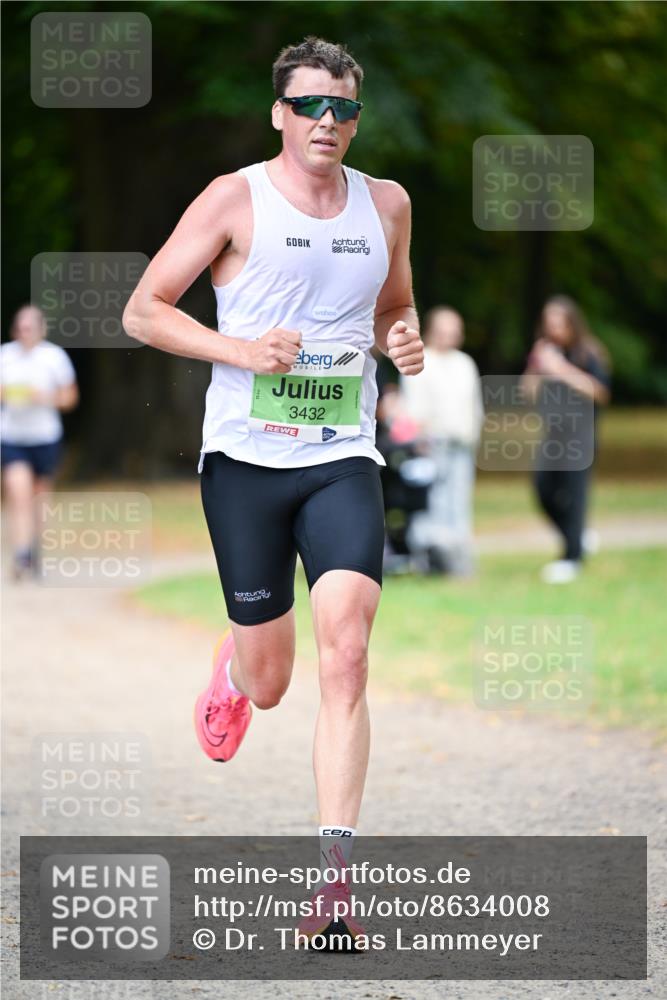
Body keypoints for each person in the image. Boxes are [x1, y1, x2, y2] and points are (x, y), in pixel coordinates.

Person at [123, 36, 423, 944]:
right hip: (246, 462)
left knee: (348, 653)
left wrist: (402, 341)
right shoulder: (233, 198)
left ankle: (334, 888)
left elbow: (392, 307)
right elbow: (146, 310)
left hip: (342, 455)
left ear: (356, 118)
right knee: (270, 684)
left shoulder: (387, 205)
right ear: (279, 114)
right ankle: (235, 661)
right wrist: (242, 352)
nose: (328, 122)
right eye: (310, 106)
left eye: (343, 108)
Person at [522, 295, 611, 584]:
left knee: (575, 496)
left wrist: (561, 370)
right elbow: (527, 393)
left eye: (560, 323)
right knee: (543, 490)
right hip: (553, 434)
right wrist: (537, 365)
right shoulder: (545, 352)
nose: (555, 329)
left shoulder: (590, 353)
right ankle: (578, 536)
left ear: (572, 323)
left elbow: (600, 392)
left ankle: (571, 558)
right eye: (549, 323)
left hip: (581, 436)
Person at [399, 306, 483, 575]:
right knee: (432, 503)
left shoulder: (464, 363)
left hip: (461, 444)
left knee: (458, 501)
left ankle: (458, 558)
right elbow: (414, 408)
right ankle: (430, 559)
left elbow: (474, 406)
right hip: (433, 444)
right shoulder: (422, 361)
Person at [0, 304, 78, 579]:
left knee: (39, 497)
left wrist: (42, 397)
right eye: (20, 328)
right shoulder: (5, 356)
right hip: (12, 436)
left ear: (41, 329)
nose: (25, 333)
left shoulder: (54, 358)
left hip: (45, 436)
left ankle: (36, 550)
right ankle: (21, 555)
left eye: (29, 327)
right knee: (17, 493)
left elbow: (70, 398)